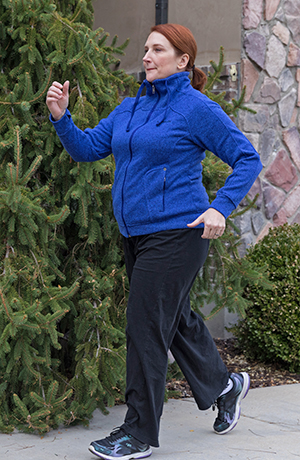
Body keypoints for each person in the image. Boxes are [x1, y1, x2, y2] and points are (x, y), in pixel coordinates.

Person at [46, 23, 262, 460]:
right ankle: (225, 385)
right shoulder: (128, 109)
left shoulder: (195, 108)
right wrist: (61, 117)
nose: (147, 56)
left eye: (158, 49)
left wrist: (220, 207)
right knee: (174, 321)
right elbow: (88, 149)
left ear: (182, 60)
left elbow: (246, 157)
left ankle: (138, 433)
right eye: (145, 48)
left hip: (179, 233)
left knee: (145, 327)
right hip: (137, 235)